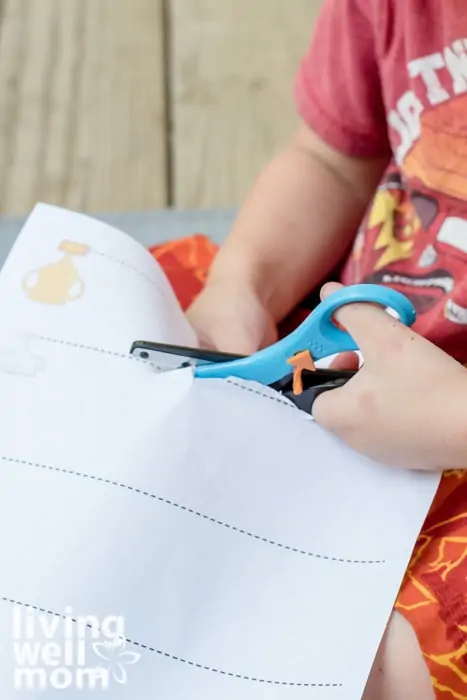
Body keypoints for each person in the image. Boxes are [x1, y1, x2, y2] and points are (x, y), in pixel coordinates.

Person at [186, 1, 467, 698]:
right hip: (348, 346)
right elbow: (331, 161)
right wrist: (243, 279)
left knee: (390, 662)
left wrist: (450, 420)